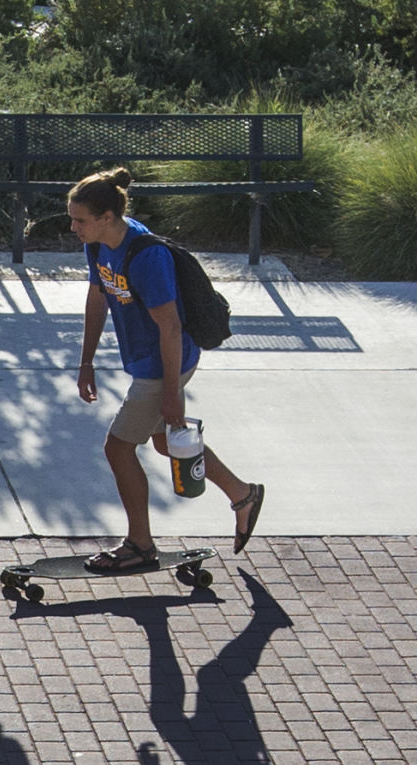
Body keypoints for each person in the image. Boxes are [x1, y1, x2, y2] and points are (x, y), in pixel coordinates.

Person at [69, 167, 264, 569]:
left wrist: (172, 393)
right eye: (73, 219)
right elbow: (97, 300)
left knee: (118, 448)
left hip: (166, 363)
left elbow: (171, 328)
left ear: (108, 217)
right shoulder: (98, 244)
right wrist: (86, 361)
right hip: (149, 361)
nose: (74, 227)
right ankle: (243, 494)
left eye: (81, 220)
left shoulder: (146, 257)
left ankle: (140, 545)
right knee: (163, 442)